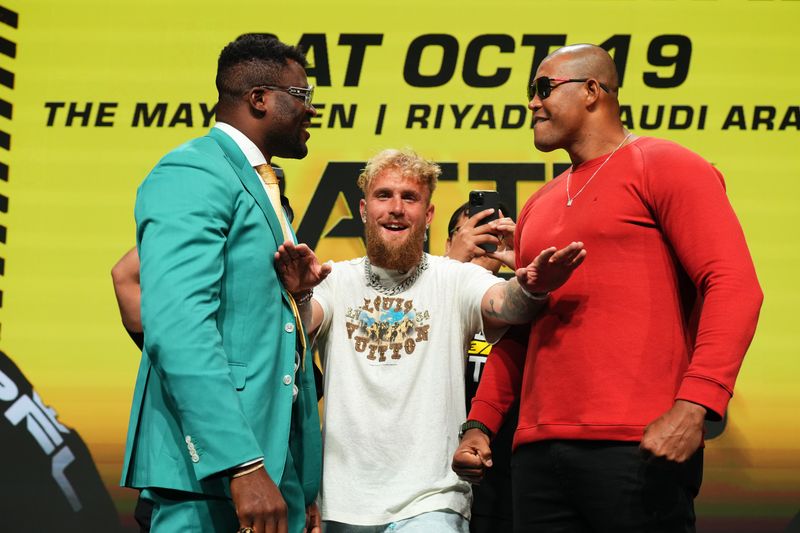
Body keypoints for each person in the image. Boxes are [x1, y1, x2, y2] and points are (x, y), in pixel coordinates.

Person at [452, 44, 763, 532]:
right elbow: (520, 330)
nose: (532, 103)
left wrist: (695, 407)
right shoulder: (539, 204)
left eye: (543, 88)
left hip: (637, 444)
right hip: (534, 456)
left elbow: (733, 284)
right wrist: (480, 423)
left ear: (593, 91)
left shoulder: (665, 165)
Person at [273, 148, 586, 532]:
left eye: (410, 197)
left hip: (433, 498)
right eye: (384, 195)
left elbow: (505, 304)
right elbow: (302, 328)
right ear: (363, 208)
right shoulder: (335, 278)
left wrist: (531, 288)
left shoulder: (454, 278)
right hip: (344, 499)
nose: (396, 208)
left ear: (428, 214)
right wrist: (301, 296)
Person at [121, 34, 323, 533]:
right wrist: (241, 465)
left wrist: (297, 479)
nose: (312, 112)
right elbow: (180, 325)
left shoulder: (259, 182)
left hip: (275, 471)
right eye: (302, 97)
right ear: (259, 99)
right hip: (215, 476)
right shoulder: (193, 171)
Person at [445, 203, 519, 533]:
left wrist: (523, 262)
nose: (478, 243)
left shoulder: (522, 302)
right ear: (449, 244)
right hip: (436, 477)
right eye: (467, 234)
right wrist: (452, 268)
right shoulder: (427, 293)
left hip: (504, 473)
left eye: (490, 235)